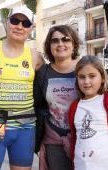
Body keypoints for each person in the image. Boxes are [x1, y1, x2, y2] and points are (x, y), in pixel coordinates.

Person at [0, 6, 45, 170]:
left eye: (25, 23)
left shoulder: (36, 57)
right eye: (15, 21)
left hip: (25, 127)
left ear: (31, 29)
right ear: (6, 22)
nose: (19, 27)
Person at [33, 25, 80, 170]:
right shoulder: (43, 72)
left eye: (65, 39)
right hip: (54, 139)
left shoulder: (84, 67)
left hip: (83, 138)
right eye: (55, 41)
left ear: (73, 44)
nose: (60, 44)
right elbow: (36, 103)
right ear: (49, 46)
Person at [68, 55, 108, 170]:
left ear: (102, 78)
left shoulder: (107, 100)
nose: (86, 81)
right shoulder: (74, 107)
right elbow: (75, 139)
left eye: (92, 76)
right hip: (80, 165)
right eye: (82, 77)